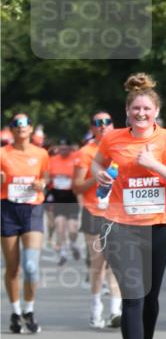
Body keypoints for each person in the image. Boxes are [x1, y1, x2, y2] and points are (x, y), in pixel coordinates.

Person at [91, 74, 166, 339]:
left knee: (149, 298)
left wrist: (154, 165)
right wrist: (102, 175)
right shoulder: (113, 139)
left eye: (147, 108)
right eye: (136, 109)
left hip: (158, 228)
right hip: (121, 227)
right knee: (132, 295)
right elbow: (96, 165)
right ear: (127, 111)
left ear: (156, 111)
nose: (141, 113)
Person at [72, 111, 122, 328]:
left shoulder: (121, 149)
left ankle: (115, 310)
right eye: (97, 123)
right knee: (98, 262)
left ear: (112, 125)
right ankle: (96, 308)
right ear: (92, 128)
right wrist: (98, 175)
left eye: (107, 122)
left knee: (116, 263)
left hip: (118, 213)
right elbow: (77, 186)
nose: (102, 126)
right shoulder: (86, 152)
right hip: (94, 211)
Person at [0, 113, 49, 333]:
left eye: (25, 124)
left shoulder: (41, 153)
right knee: (12, 267)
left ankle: (29, 310)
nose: (21, 127)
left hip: (32, 209)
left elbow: (45, 178)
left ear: (31, 129)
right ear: (11, 130)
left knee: (31, 266)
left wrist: (42, 184)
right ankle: (16, 312)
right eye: (16, 124)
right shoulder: (2, 153)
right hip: (8, 209)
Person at [46, 140, 81, 265]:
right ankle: (63, 252)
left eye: (66, 148)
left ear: (70, 149)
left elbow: (81, 175)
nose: (63, 151)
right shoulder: (52, 160)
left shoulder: (76, 159)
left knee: (73, 229)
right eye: (61, 149)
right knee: (60, 226)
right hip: (57, 197)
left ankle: (72, 243)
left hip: (71, 197)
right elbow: (47, 177)